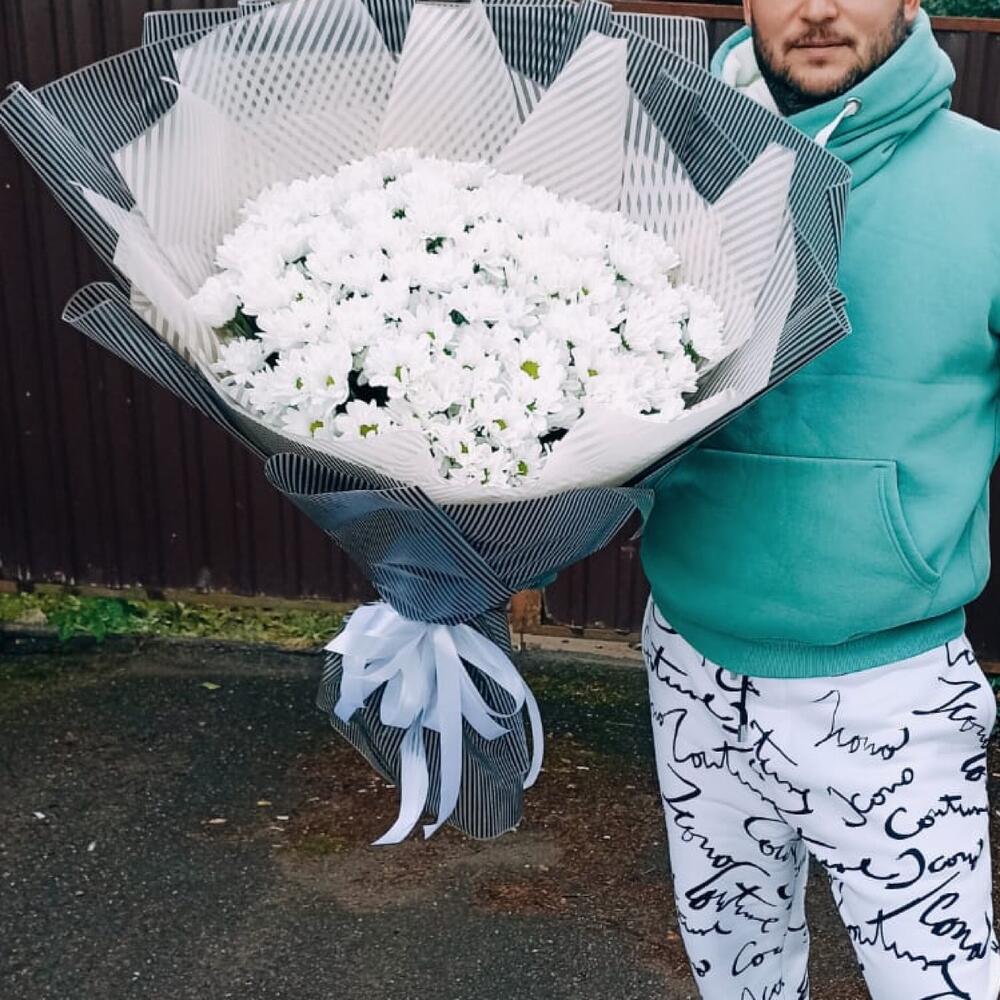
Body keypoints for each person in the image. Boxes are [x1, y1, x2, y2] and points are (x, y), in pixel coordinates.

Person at [639, 1, 1000, 997]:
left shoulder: (988, 185)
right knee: (737, 977)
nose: (818, 9)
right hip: (690, 662)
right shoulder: (667, 175)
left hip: (887, 690)